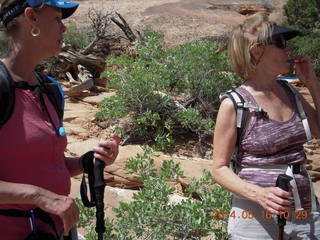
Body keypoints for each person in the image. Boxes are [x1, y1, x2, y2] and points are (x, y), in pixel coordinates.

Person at [0, 0, 120, 239]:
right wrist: (40, 196)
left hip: (54, 231)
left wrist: (87, 162)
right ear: (31, 17)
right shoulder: (3, 87)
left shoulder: (50, 90)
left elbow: (42, 164)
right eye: (57, 18)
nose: (63, 28)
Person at [212, 12, 320, 239]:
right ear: (257, 50)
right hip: (254, 219)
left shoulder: (290, 92)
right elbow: (219, 169)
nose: (288, 50)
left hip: (304, 213)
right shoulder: (235, 104)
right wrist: (259, 194)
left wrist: (312, 83)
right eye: (280, 44)